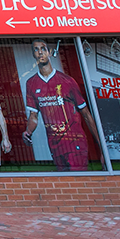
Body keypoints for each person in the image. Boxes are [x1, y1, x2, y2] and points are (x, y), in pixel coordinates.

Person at [22, 38, 99, 172]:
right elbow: (33, 115)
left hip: (74, 141)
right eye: (36, 49)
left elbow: (85, 113)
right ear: (33, 55)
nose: (40, 52)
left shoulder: (67, 81)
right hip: (54, 144)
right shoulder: (31, 83)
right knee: (65, 182)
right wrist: (28, 132)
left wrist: (100, 145)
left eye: (43, 49)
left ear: (50, 52)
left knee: (79, 182)